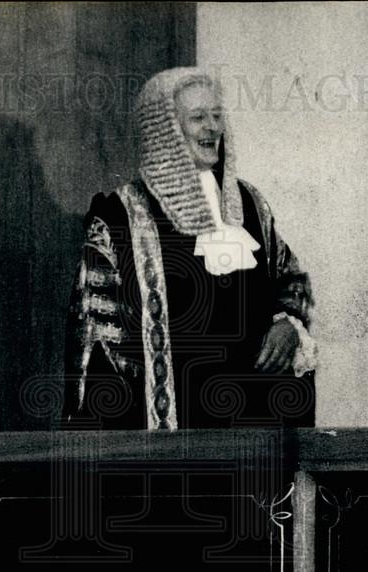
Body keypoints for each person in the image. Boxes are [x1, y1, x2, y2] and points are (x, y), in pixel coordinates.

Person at [63, 67, 318, 429]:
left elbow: (291, 280)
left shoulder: (250, 204)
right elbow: (93, 338)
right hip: (169, 428)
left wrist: (287, 323)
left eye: (216, 116)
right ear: (164, 130)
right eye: (198, 118)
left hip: (253, 424)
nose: (212, 128)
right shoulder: (119, 216)